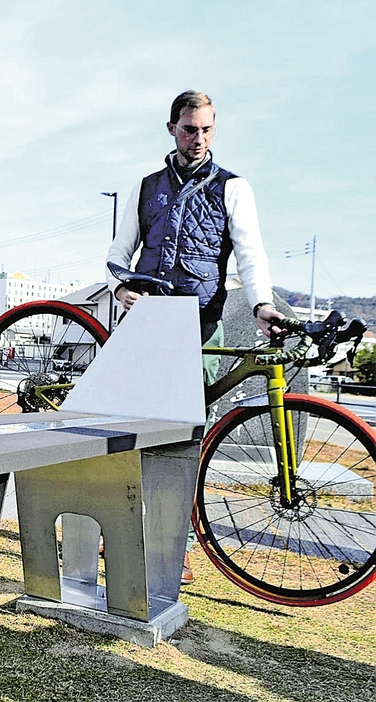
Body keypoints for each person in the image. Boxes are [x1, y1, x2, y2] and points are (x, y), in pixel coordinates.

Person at [105, 90, 285, 585]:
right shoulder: (145, 186)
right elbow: (120, 250)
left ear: (214, 129)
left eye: (206, 129)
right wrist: (121, 287)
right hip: (146, 319)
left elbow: (250, 254)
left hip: (201, 320)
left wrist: (261, 303)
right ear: (171, 129)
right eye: (189, 129)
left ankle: (173, 543)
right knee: (131, 429)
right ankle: (119, 531)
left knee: (187, 434)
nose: (197, 139)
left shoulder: (233, 187)